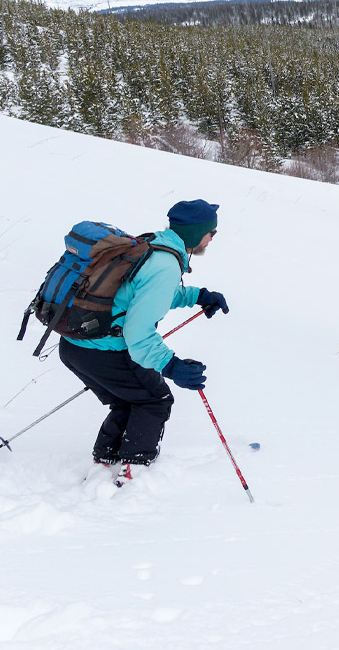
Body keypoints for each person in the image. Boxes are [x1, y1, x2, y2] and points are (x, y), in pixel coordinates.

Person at [58, 199, 230, 479]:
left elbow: (143, 294)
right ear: (197, 234)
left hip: (76, 345)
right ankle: (133, 470)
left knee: (129, 399)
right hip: (103, 350)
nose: (213, 237)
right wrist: (171, 366)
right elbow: (138, 335)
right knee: (154, 400)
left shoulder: (152, 244)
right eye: (212, 231)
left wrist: (197, 296)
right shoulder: (165, 264)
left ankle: (105, 462)